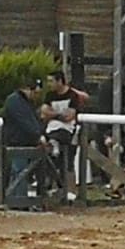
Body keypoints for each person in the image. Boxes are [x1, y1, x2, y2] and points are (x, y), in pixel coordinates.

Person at [1, 79, 55, 209]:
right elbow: (25, 122)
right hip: (17, 141)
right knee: (19, 171)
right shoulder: (15, 101)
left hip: (25, 141)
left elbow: (31, 121)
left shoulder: (23, 102)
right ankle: (18, 200)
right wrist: (38, 135)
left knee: (21, 171)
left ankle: (19, 199)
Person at [41, 69, 86, 202]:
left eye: (51, 81)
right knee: (50, 160)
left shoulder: (72, 95)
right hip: (52, 128)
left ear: (60, 81)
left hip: (68, 131)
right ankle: (53, 188)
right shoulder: (50, 95)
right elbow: (44, 112)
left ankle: (71, 191)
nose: (49, 84)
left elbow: (69, 116)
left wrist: (53, 115)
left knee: (68, 163)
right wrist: (58, 115)